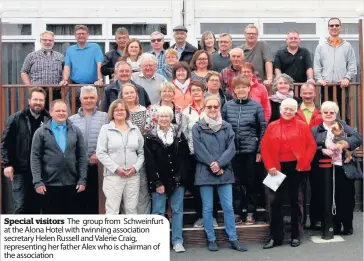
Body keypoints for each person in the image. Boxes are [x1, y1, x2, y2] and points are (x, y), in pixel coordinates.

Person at [192, 96, 248, 252]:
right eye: (209, 107)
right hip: (205, 172)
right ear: (204, 108)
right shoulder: (197, 127)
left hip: (225, 172)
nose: (212, 110)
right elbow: (198, 149)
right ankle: (211, 239)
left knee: (228, 207)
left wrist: (220, 164)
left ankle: (233, 238)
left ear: (219, 108)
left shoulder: (227, 126)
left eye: (215, 107)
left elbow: (231, 148)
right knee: (208, 208)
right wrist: (213, 164)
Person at [261, 98, 316, 249]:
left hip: (296, 168)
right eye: (285, 109)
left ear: (295, 111)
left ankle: (295, 235)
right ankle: (275, 237)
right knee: (274, 202)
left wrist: (304, 161)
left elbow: (311, 145)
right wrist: (270, 166)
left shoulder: (302, 126)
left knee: (296, 201)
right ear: (280, 110)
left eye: (291, 109)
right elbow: (264, 147)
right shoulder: (272, 126)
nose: (288, 111)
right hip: (276, 168)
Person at [311, 101, 362, 235]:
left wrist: (343, 144)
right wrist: (322, 150)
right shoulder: (315, 130)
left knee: (345, 198)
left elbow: (358, 138)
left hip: (343, 167)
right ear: (321, 113)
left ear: (336, 114)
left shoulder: (344, 126)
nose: (328, 115)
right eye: (325, 112)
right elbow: (310, 147)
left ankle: (347, 225)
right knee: (326, 198)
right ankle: (331, 225)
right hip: (323, 169)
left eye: (331, 112)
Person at [144, 106, 190, 253]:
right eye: (161, 116)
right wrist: (157, 182)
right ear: (156, 118)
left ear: (171, 118)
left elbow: (185, 157)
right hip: (159, 180)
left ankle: (177, 241)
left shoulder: (178, 134)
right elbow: (149, 162)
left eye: (167, 116)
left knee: (177, 210)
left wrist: (181, 177)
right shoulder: (150, 136)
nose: (164, 119)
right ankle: (157, 242)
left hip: (177, 179)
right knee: (158, 211)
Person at [222, 76, 266, 225]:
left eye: (244, 87)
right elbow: (222, 128)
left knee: (251, 182)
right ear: (234, 90)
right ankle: (237, 212)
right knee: (236, 183)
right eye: (238, 87)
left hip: (251, 152)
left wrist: (259, 149)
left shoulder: (256, 106)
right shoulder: (227, 106)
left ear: (249, 89)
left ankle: (251, 212)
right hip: (233, 152)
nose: (241, 90)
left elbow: (263, 129)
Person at [31, 100, 88, 214]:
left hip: (72, 184)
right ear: (51, 112)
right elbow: (35, 158)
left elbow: (82, 157)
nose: (61, 113)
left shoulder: (75, 131)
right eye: (58, 111)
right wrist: (38, 182)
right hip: (49, 185)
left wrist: (82, 180)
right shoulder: (41, 132)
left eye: (64, 110)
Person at [1, 87, 50, 214]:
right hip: (20, 170)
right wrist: (7, 164)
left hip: (41, 172)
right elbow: (5, 143)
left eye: (41, 100)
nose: (38, 102)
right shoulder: (16, 118)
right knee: (21, 206)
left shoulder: (49, 120)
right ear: (29, 100)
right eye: (35, 99)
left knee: (39, 207)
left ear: (44, 102)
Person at [96, 99, 145, 215]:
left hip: (133, 176)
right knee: (112, 210)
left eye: (122, 109)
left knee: (131, 209)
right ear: (112, 112)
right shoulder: (106, 129)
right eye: (116, 110)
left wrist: (135, 168)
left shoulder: (135, 129)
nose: (119, 112)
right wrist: (116, 168)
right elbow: (101, 153)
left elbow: (141, 152)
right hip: (113, 176)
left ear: (127, 112)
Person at [183, 81, 219, 228]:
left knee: (213, 185)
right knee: (197, 186)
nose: (196, 93)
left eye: (199, 90)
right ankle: (201, 216)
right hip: (193, 154)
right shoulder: (186, 112)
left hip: (211, 155)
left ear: (204, 91)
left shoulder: (211, 108)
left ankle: (213, 217)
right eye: (193, 90)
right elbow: (184, 134)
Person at [69, 85, 108, 214]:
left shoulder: (105, 117)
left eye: (92, 97)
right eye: (85, 98)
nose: (89, 100)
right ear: (81, 100)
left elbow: (109, 139)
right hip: (77, 166)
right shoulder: (71, 120)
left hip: (98, 166)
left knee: (95, 200)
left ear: (97, 99)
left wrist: (98, 153)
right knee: (78, 200)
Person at [119, 83, 151, 214]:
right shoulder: (118, 111)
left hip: (142, 155)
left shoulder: (144, 111)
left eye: (132, 92)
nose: (129, 95)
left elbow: (148, 131)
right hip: (122, 157)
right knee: (124, 193)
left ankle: (143, 222)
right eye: (126, 93)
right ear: (122, 95)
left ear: (136, 94)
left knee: (142, 190)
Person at [60, 25, 104, 112]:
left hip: (92, 85)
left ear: (87, 35)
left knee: (94, 111)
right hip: (75, 86)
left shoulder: (95, 47)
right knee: (75, 112)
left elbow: (99, 64)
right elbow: (67, 66)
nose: (81, 36)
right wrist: (65, 79)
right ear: (75, 36)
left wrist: (100, 79)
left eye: (83, 33)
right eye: (78, 34)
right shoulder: (70, 50)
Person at [20, 31, 64, 110]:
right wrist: (30, 88)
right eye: (45, 40)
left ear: (53, 42)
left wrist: (64, 81)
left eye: (50, 40)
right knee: (36, 115)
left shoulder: (60, 56)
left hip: (55, 93)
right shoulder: (31, 56)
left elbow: (65, 71)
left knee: (54, 115)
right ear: (40, 41)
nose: (47, 42)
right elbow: (24, 72)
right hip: (37, 92)